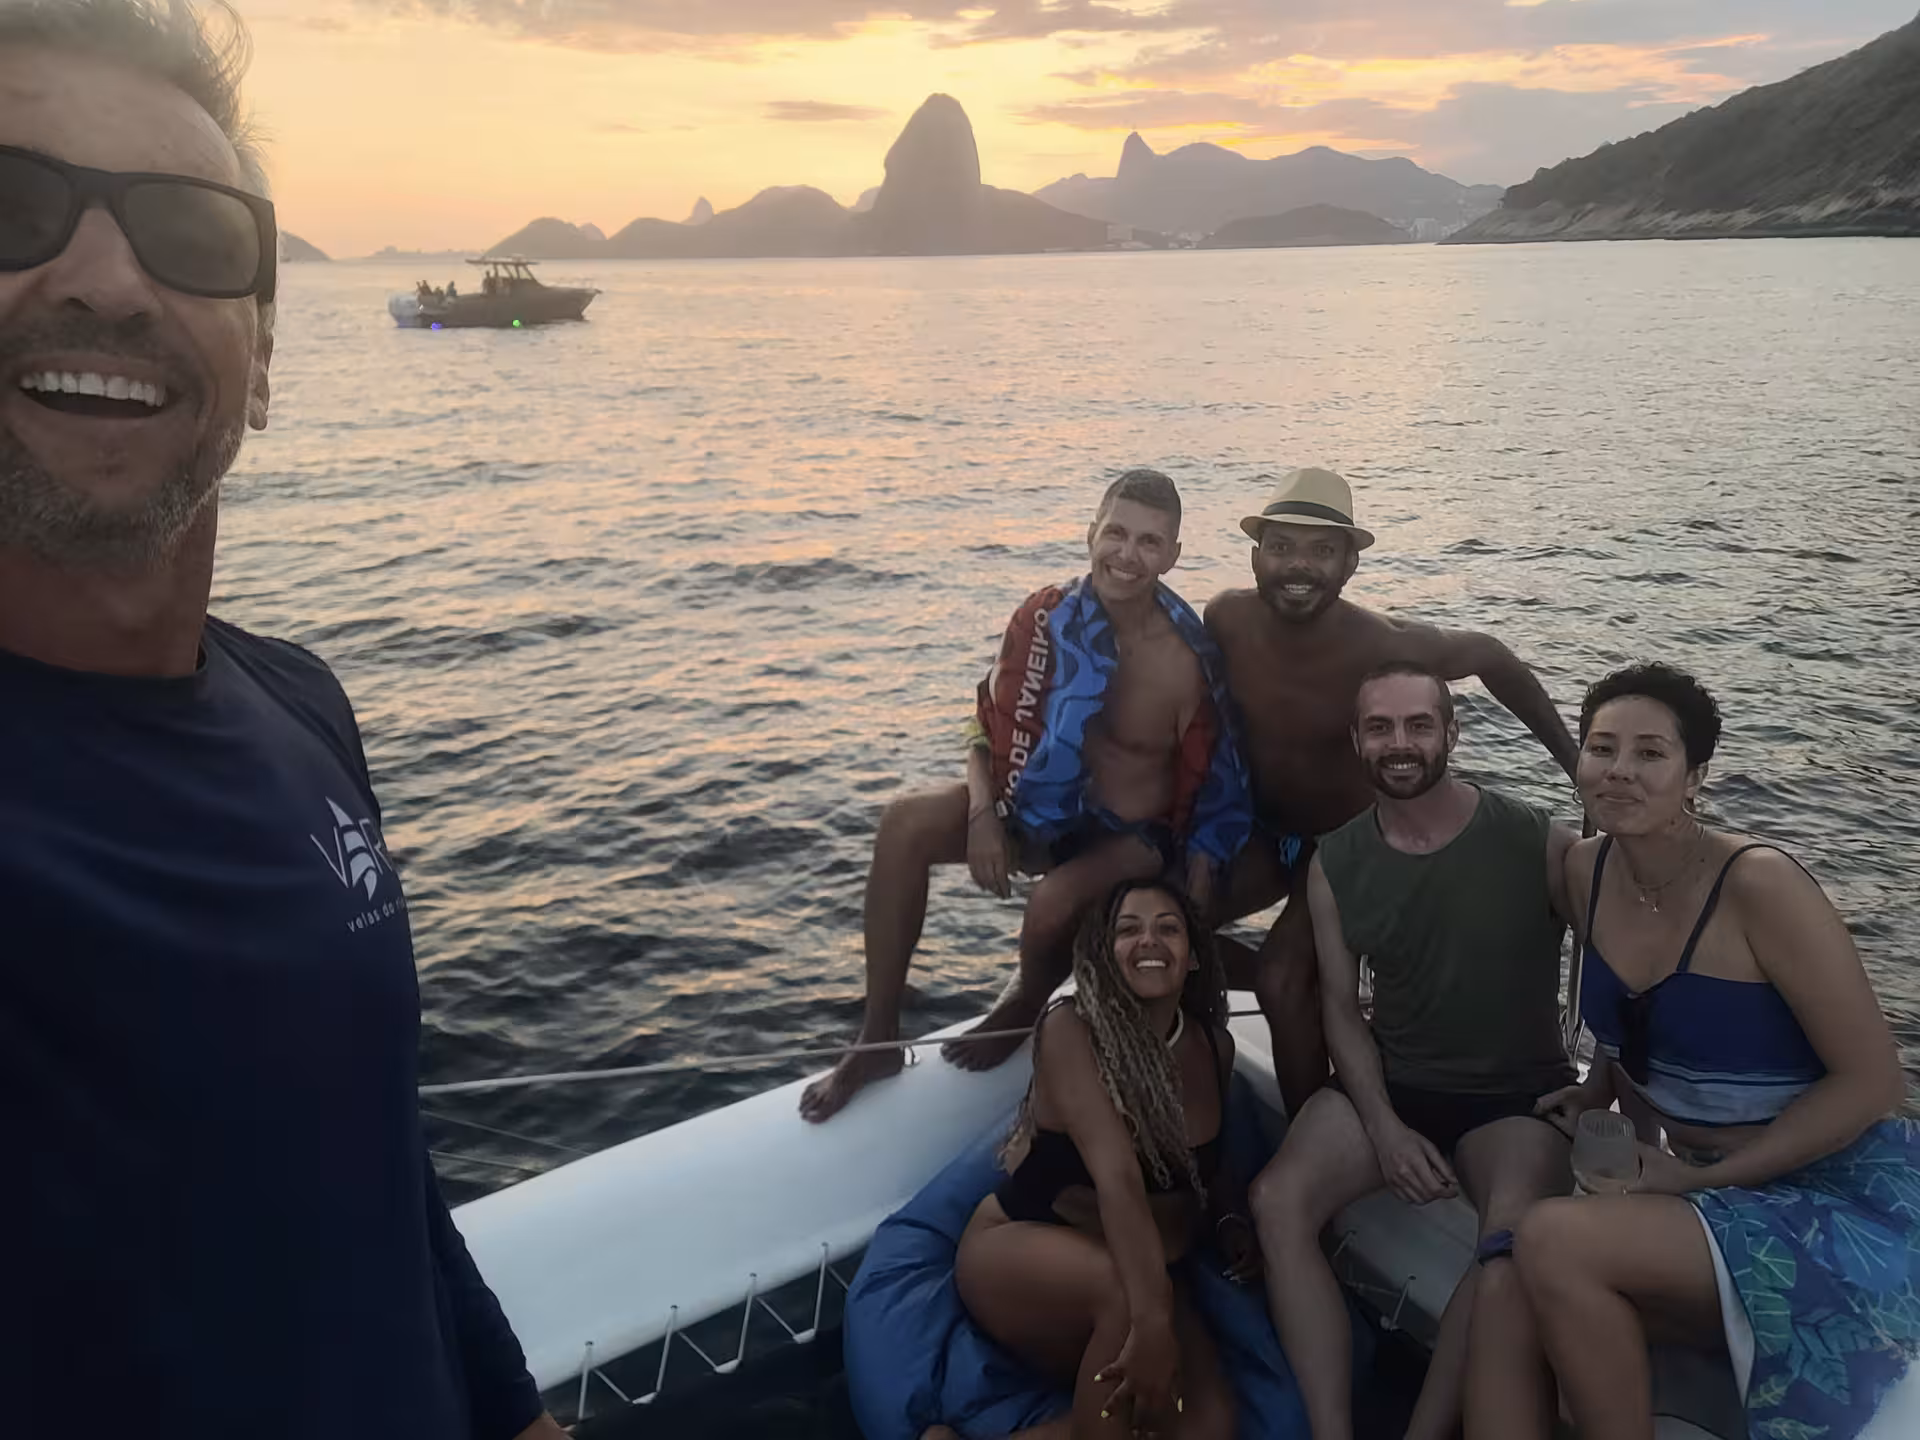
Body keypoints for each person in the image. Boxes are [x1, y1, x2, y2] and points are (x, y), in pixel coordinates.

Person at [0, 3, 561, 1435]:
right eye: (15, 202)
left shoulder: (302, 704)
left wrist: (519, 1413)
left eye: (189, 233)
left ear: (260, 350)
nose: (108, 279)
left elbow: (385, 1174)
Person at [1477, 663, 1914, 1440]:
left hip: (1836, 1193)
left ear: (1695, 775)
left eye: (1650, 753)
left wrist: (1682, 1179)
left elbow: (1873, 1080)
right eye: (1601, 748)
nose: (1619, 771)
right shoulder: (1587, 868)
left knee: (1551, 1238)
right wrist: (1598, 1087)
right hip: (1708, 1185)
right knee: (1509, 1279)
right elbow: (1636, 1012)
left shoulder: (1760, 885)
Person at [800, 469, 1252, 1121]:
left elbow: (1217, 782)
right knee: (904, 823)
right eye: (1117, 533)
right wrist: (983, 813)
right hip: (1039, 810)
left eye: (1150, 542)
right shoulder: (1044, 617)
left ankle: (1021, 1008)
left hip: (1132, 839)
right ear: (1090, 532)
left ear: (1174, 556)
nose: (1128, 555)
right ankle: (876, 1040)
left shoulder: (1184, 658)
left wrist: (1197, 893)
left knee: (1053, 899)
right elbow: (982, 723)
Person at [1247, 664, 1578, 1440]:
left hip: (1516, 1099)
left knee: (1508, 1242)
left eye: (1418, 725)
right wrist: (1386, 1128)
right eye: (1381, 728)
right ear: (1357, 741)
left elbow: (1630, 961)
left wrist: (1610, 1091)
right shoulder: (1336, 860)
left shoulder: (1537, 839)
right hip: (1394, 1084)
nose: (1400, 745)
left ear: (1451, 734)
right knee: (1276, 1202)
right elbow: (1339, 1007)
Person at [1206, 467, 1580, 1118]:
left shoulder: (1380, 644)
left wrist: (1579, 767)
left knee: (1282, 977)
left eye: (1323, 550)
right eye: (1283, 546)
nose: (1300, 566)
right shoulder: (1226, 618)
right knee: (1162, 925)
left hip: (1339, 848)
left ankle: (1306, 1134)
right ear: (1256, 554)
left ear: (1351, 564)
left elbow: (1492, 656)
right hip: (1261, 833)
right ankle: (1193, 1096)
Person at [953, 881, 1254, 1440]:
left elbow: (1207, 1166)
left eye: (1169, 927)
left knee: (1209, 1425)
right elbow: (1117, 1177)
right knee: (1122, 1295)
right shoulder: (1071, 1029)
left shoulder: (1215, 1047)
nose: (1149, 940)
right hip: (1020, 1251)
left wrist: (1231, 1217)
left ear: (1191, 958)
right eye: (1127, 929)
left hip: (1141, 1269)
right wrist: (1154, 1319)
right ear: (1104, 954)